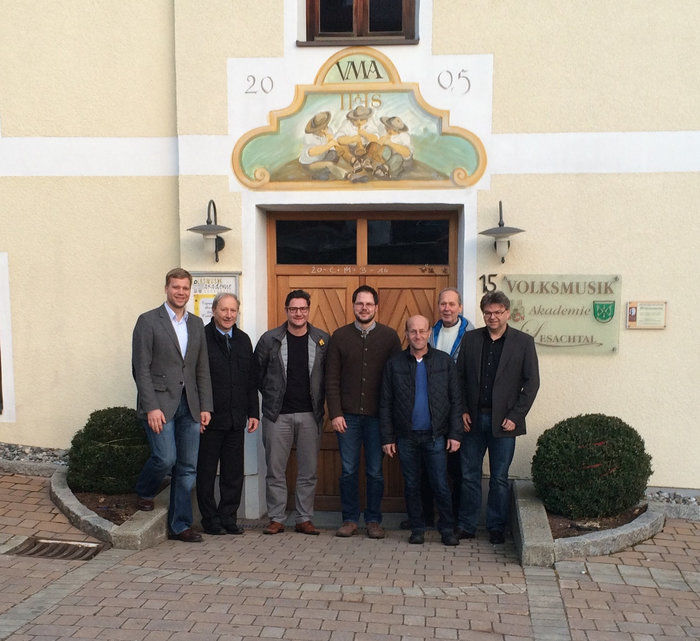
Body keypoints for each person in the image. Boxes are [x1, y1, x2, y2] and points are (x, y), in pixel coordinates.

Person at [132, 267, 213, 543]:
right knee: (165, 458)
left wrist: (205, 406)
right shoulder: (148, 321)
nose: (181, 292)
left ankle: (180, 525)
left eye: (185, 288)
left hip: (190, 405)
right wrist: (151, 407)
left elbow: (201, 368)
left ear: (190, 291)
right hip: (160, 404)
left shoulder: (196, 324)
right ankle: (144, 490)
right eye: (176, 287)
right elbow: (141, 368)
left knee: (188, 467)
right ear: (166, 288)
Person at [456, 291, 540, 544]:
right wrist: (462, 410)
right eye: (488, 313)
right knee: (469, 475)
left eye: (497, 312)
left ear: (507, 313)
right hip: (473, 420)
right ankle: (467, 525)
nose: (492, 317)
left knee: (499, 478)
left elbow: (532, 383)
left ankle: (496, 527)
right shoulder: (470, 339)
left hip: (504, 423)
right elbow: (459, 379)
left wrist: (516, 416)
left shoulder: (523, 342)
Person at [325, 285, 402, 539]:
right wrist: (335, 413)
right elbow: (331, 379)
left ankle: (373, 520)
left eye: (369, 304)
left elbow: (397, 380)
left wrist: (391, 419)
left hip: (378, 418)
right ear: (353, 306)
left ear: (376, 307)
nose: (364, 308)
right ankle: (349, 519)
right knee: (348, 470)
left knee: (375, 472)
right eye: (360, 303)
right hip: (346, 417)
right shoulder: (339, 336)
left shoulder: (390, 337)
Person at [379, 315, 462, 546]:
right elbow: (385, 403)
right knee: (412, 485)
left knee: (440, 484)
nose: (418, 335)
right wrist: (387, 437)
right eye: (413, 331)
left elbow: (456, 400)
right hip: (406, 437)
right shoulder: (394, 364)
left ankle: (446, 529)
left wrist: (455, 434)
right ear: (406, 334)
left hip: (436, 436)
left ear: (429, 333)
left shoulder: (444, 362)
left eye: (422, 331)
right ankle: (417, 528)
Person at [254, 290, 329, 535]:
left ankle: (304, 518)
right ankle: (277, 518)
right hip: (277, 415)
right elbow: (257, 374)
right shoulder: (270, 339)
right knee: (275, 470)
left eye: (302, 309)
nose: (298, 313)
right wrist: (270, 396)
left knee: (308, 471)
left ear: (308, 310)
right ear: (286, 310)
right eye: (293, 309)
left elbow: (328, 377)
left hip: (310, 415)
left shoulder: (321, 340)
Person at [196, 293, 259, 536]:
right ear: (214, 311)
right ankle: (210, 520)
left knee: (233, 473)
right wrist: (198, 411)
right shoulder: (201, 337)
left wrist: (253, 412)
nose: (228, 315)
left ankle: (228, 517)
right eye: (224, 310)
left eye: (233, 310)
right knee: (206, 472)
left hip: (236, 419)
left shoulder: (243, 340)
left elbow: (250, 379)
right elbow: (194, 378)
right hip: (209, 419)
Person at [298, 111, 349, 180]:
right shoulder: (309, 137)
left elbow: (333, 148)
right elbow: (312, 152)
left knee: (334, 154)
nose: (326, 128)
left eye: (326, 125)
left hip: (322, 158)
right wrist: (329, 145)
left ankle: (321, 174)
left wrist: (330, 140)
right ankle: (347, 175)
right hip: (309, 164)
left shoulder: (328, 130)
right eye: (323, 127)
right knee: (329, 165)